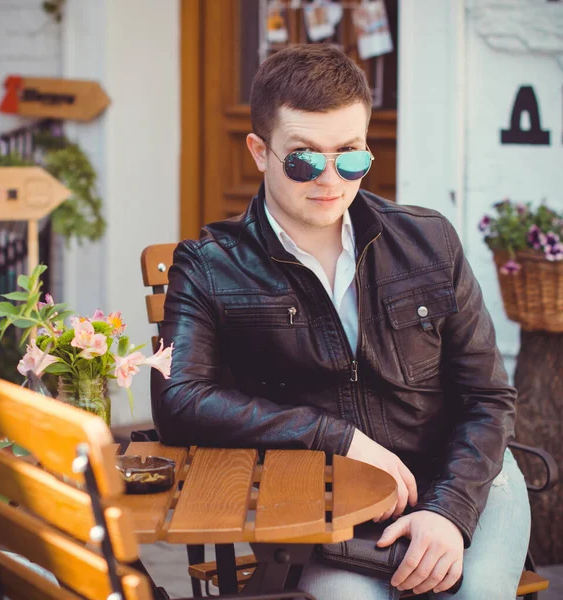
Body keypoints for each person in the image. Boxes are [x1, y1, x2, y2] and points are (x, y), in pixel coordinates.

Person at [151, 45, 530, 599]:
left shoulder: (430, 240)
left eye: (349, 156)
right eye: (304, 159)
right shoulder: (210, 265)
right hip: (322, 511)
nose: (330, 179)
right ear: (260, 151)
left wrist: (447, 511)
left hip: (468, 479)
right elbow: (178, 400)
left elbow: (488, 398)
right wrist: (335, 437)